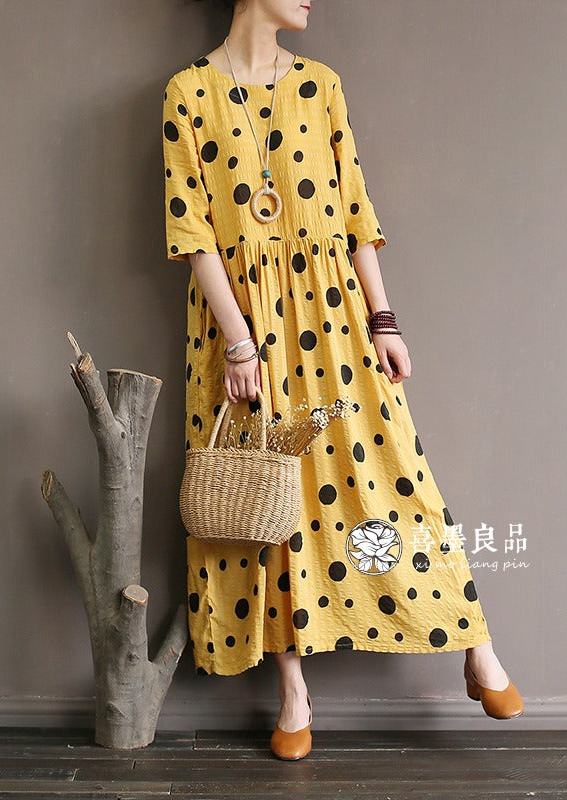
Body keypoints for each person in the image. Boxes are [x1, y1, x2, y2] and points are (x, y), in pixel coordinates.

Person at [162, 0, 523, 760]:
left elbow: (355, 211)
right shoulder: (187, 93)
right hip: (242, 330)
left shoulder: (321, 85)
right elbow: (192, 231)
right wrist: (239, 344)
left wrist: (384, 320)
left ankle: (475, 643)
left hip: (335, 317)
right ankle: (293, 692)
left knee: (395, 474)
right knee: (264, 507)